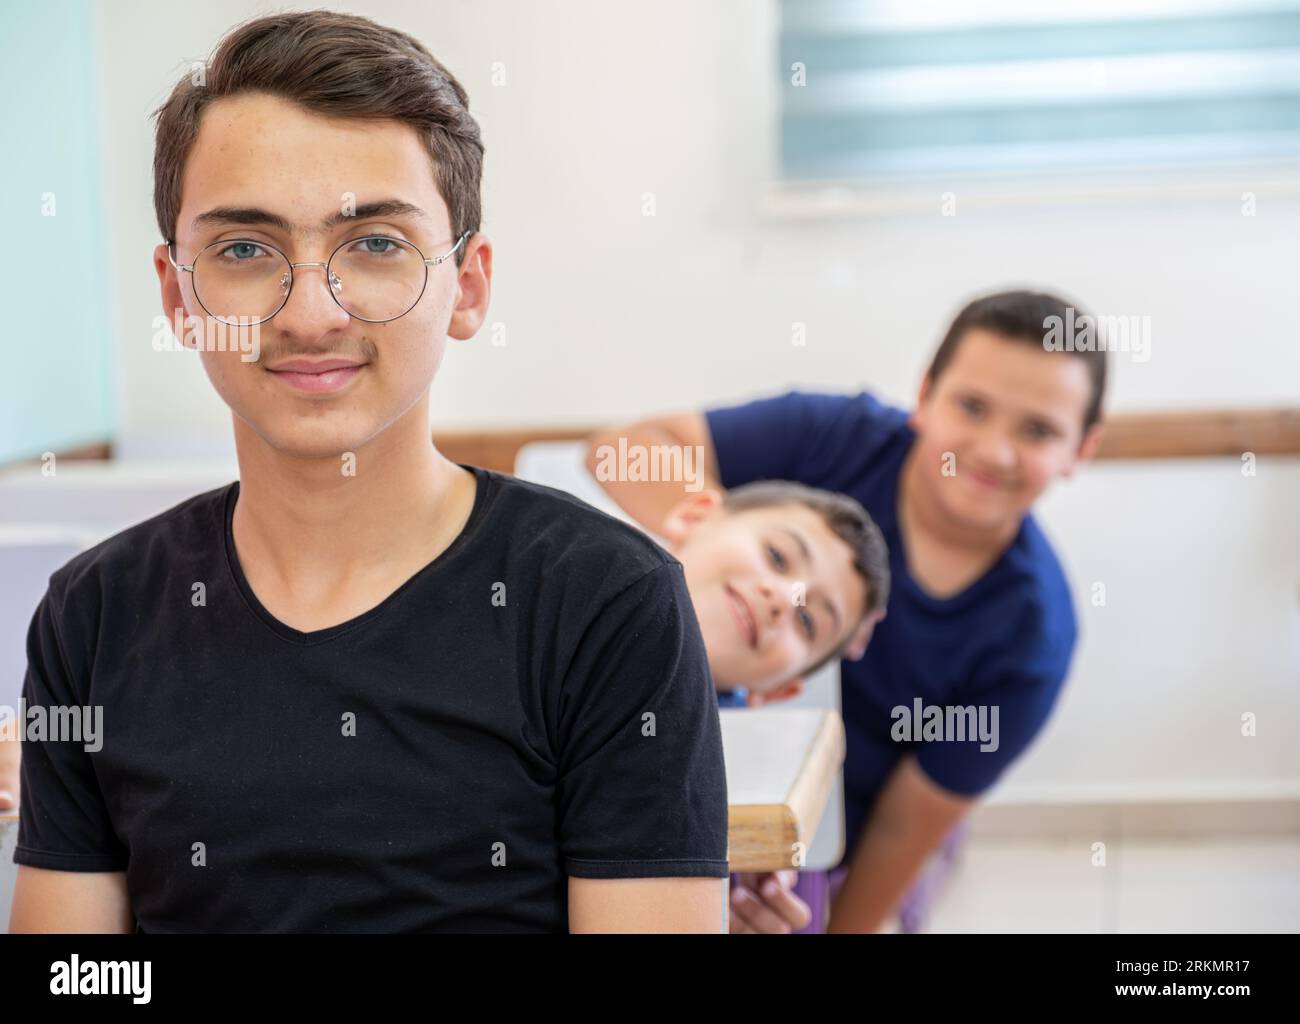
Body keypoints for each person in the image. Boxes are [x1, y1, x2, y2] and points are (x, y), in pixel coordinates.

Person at [9, 10, 729, 934]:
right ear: (176, 297)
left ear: (467, 287)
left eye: (377, 245)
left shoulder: (607, 601)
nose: (310, 312)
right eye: (242, 251)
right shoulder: (95, 614)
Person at [587, 289, 1107, 932]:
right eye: (972, 407)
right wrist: (729, 549)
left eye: (1038, 431)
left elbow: (902, 829)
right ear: (924, 396)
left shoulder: (1033, 642)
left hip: (830, 836)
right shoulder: (834, 437)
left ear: (1080, 451)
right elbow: (623, 448)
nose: (995, 451)